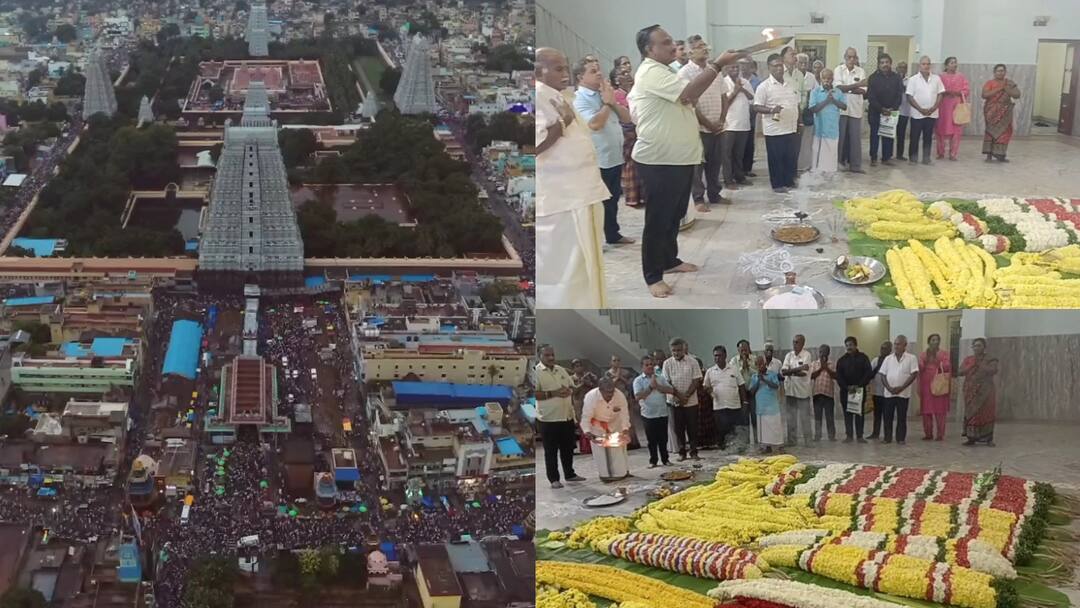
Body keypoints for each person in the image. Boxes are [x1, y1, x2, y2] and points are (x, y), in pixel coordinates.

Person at [628, 25, 744, 298]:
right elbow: (689, 94)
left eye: (671, 41)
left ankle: (669, 261)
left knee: (674, 216)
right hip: (659, 160)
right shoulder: (650, 72)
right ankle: (652, 275)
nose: (672, 46)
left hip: (679, 158)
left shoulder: (666, 71)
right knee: (658, 219)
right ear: (649, 50)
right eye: (666, 42)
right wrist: (717, 65)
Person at [535, 48, 610, 308]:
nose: (565, 74)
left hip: (575, 194)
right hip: (568, 197)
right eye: (558, 69)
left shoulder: (559, 95)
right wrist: (561, 125)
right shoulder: (536, 97)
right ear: (538, 70)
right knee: (573, 268)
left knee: (581, 264)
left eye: (566, 68)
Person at [573, 57, 634, 245]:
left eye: (599, 69)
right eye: (592, 71)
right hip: (597, 158)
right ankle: (595, 241)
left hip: (614, 155)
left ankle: (613, 234)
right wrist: (607, 104)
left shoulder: (605, 94)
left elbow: (627, 118)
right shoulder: (579, 98)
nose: (599, 73)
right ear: (580, 77)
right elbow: (595, 124)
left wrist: (612, 101)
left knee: (613, 199)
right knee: (598, 203)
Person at [679, 35, 728, 211]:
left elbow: (724, 97)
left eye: (705, 45)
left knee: (715, 164)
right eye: (700, 46)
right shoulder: (685, 73)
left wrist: (721, 120)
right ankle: (698, 199)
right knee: (697, 166)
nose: (705, 48)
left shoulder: (715, 71)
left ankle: (715, 194)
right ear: (690, 52)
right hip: (698, 128)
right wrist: (708, 124)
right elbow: (690, 102)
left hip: (718, 127)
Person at [533, 345, 586, 489]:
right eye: (547, 355)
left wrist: (577, 387)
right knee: (551, 451)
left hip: (566, 417)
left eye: (552, 355)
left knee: (568, 448)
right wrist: (553, 393)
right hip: (548, 419)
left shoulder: (561, 370)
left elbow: (572, 388)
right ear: (540, 357)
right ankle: (554, 479)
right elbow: (533, 393)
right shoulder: (536, 372)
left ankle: (570, 474)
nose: (551, 358)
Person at [752, 53, 801, 193]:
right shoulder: (764, 86)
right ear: (769, 68)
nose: (779, 68)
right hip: (774, 129)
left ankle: (789, 181)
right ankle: (778, 184)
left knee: (790, 157)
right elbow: (756, 106)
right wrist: (771, 109)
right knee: (776, 158)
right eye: (775, 66)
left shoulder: (790, 83)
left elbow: (796, 103)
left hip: (790, 127)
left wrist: (799, 122)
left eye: (780, 65)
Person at [662, 337, 703, 460]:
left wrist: (686, 396)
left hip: (691, 402)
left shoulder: (693, 361)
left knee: (692, 428)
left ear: (684, 349)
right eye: (674, 350)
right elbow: (666, 382)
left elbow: (696, 380)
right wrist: (679, 396)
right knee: (678, 428)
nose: (676, 353)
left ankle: (694, 452)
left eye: (679, 350)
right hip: (674, 401)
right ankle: (681, 452)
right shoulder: (667, 363)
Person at [611, 68, 645, 207]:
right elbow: (624, 115)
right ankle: (632, 198)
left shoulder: (635, 91)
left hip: (639, 128)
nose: (628, 76)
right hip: (627, 132)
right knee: (630, 165)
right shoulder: (617, 95)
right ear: (616, 80)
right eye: (623, 74)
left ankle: (642, 196)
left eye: (628, 73)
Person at [633, 355, 674, 467]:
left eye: (651, 364)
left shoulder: (660, 377)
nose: (650, 366)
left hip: (662, 413)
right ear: (642, 367)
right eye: (647, 365)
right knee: (652, 440)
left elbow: (671, 390)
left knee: (663, 439)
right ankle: (653, 461)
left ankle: (665, 460)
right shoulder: (638, 381)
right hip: (648, 415)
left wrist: (658, 387)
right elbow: (637, 396)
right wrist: (650, 387)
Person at [957, 338, 999, 446]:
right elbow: (960, 372)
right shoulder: (968, 359)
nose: (977, 348)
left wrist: (980, 365)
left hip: (986, 391)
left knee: (986, 414)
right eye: (975, 346)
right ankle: (971, 437)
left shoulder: (991, 359)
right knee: (971, 414)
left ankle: (988, 438)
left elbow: (993, 370)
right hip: (970, 391)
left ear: (984, 347)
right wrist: (970, 366)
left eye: (979, 345)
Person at [878, 335, 919, 444]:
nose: (896, 346)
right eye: (895, 344)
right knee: (887, 417)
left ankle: (900, 438)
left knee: (901, 417)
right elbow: (882, 375)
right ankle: (887, 438)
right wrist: (889, 388)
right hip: (889, 393)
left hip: (903, 393)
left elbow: (914, 374)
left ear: (905, 345)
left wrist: (902, 387)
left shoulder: (911, 358)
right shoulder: (888, 358)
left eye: (899, 344)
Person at [866, 53, 905, 166]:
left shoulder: (896, 77)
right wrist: (881, 109)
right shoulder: (873, 78)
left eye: (887, 62)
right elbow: (871, 96)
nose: (885, 65)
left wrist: (893, 108)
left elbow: (899, 94)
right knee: (875, 135)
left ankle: (886, 157)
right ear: (878, 64)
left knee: (889, 134)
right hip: (875, 111)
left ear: (890, 63)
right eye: (882, 63)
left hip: (891, 112)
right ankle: (873, 158)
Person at [905, 56, 945, 165]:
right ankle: (913, 159)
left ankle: (926, 158)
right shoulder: (913, 79)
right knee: (915, 137)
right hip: (917, 114)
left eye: (928, 64)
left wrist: (934, 107)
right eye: (923, 64)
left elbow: (940, 93)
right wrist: (920, 109)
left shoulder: (936, 78)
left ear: (930, 65)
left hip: (932, 114)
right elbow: (909, 96)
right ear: (919, 65)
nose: (926, 66)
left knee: (928, 137)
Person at [705, 345, 745, 451]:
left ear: (725, 356)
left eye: (719, 355)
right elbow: (706, 386)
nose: (717, 358)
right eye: (715, 356)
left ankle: (737, 449)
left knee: (735, 430)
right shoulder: (710, 371)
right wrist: (710, 392)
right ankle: (723, 450)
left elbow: (741, 385)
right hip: (719, 407)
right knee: (721, 430)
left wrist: (744, 402)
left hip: (734, 405)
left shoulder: (734, 369)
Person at [720, 63, 754, 189]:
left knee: (739, 154)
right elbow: (725, 103)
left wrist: (742, 88)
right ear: (726, 68)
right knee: (727, 154)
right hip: (729, 124)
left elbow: (751, 97)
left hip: (743, 123)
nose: (735, 70)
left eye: (736, 68)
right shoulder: (723, 82)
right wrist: (735, 91)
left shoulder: (744, 81)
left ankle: (739, 177)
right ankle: (728, 180)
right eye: (732, 67)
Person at [834, 47, 868, 173]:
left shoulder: (861, 71)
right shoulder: (838, 70)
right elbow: (838, 88)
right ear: (845, 57)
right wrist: (856, 86)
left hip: (855, 109)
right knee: (840, 138)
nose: (851, 59)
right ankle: (838, 163)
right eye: (849, 57)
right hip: (841, 109)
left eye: (854, 57)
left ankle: (855, 166)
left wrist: (848, 88)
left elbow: (863, 91)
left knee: (855, 138)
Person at [807, 68, 846, 174]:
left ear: (832, 79)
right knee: (817, 151)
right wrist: (826, 101)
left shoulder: (838, 92)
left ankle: (830, 171)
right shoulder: (815, 92)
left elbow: (844, 106)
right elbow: (813, 108)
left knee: (831, 151)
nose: (826, 81)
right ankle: (816, 170)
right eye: (824, 78)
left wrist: (833, 100)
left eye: (829, 78)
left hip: (833, 129)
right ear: (820, 79)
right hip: (820, 129)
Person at [836, 336, 873, 443]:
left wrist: (859, 386)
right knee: (847, 414)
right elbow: (839, 376)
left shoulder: (863, 358)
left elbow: (868, 373)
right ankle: (849, 436)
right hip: (846, 391)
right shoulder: (842, 360)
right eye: (847, 345)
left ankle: (860, 436)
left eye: (851, 345)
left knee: (859, 414)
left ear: (856, 345)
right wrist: (846, 387)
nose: (849, 347)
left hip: (859, 390)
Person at [981, 64, 1021, 162]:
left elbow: (1017, 95)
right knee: (990, 132)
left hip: (1005, 112)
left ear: (1005, 72)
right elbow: (984, 95)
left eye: (1002, 70)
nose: (1001, 72)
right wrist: (999, 88)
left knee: (1005, 132)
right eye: (998, 71)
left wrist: (1007, 89)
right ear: (994, 73)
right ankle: (989, 155)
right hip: (991, 111)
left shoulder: (1009, 83)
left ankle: (1001, 155)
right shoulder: (989, 83)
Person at [786, 50, 817, 172]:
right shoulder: (791, 75)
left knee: (807, 140)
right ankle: (795, 165)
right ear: (796, 63)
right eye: (801, 63)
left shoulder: (812, 77)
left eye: (806, 63)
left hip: (808, 112)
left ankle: (806, 164)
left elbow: (815, 93)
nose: (803, 66)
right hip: (794, 112)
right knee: (795, 140)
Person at [918, 333, 952, 441]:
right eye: (933, 340)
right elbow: (920, 367)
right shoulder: (923, 354)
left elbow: (947, 366)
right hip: (926, 384)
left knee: (940, 411)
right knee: (926, 411)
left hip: (940, 384)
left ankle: (940, 434)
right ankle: (928, 433)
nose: (935, 342)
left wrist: (938, 359)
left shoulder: (943, 354)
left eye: (937, 340)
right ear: (929, 342)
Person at [780, 334, 813, 445]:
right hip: (790, 391)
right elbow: (783, 372)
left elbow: (803, 374)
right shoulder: (788, 355)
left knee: (805, 418)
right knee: (791, 419)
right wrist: (799, 368)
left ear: (803, 344)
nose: (794, 344)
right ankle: (792, 441)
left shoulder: (807, 355)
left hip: (803, 392)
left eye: (797, 342)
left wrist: (791, 371)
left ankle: (808, 442)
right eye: (793, 342)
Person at [936, 57, 970, 161]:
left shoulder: (961, 77)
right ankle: (940, 152)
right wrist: (945, 92)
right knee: (940, 129)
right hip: (943, 106)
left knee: (956, 130)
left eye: (955, 63)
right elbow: (936, 90)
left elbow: (966, 90)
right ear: (946, 65)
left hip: (956, 106)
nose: (954, 64)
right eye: (951, 63)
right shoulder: (940, 77)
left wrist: (958, 93)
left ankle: (953, 154)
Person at [749, 356, 783, 453]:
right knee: (763, 431)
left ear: (765, 364)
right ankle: (766, 447)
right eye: (758, 365)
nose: (760, 366)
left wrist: (764, 380)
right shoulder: (754, 377)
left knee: (776, 429)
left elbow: (776, 386)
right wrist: (759, 381)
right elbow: (751, 392)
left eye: (761, 364)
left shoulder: (772, 374)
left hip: (772, 408)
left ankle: (780, 447)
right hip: (761, 408)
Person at [605, 355, 641, 449]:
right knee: (616, 421)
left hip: (625, 398)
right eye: (614, 360)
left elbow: (630, 384)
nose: (616, 362)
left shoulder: (626, 372)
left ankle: (632, 442)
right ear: (611, 362)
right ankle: (619, 441)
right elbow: (607, 385)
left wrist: (621, 378)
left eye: (618, 360)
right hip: (613, 399)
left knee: (628, 420)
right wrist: (616, 379)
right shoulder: (608, 373)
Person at [729, 339, 756, 446]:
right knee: (743, 419)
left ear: (749, 349)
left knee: (755, 418)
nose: (744, 351)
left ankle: (758, 441)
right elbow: (733, 375)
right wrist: (742, 366)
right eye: (741, 349)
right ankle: (745, 443)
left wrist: (748, 366)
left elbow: (758, 373)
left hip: (753, 392)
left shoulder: (755, 359)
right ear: (738, 350)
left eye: (745, 349)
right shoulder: (733, 361)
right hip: (741, 393)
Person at [739, 58, 762, 177]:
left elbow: (757, 98)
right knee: (738, 143)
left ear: (751, 67)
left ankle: (747, 168)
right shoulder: (735, 79)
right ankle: (738, 170)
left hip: (751, 112)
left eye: (745, 65)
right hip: (738, 113)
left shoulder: (757, 82)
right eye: (741, 64)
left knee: (749, 142)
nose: (743, 67)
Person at [809, 344, 837, 441]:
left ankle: (831, 436)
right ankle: (817, 435)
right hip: (817, 394)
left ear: (828, 353)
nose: (822, 354)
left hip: (828, 394)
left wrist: (827, 368)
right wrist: (821, 368)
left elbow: (835, 376)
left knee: (829, 416)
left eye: (824, 351)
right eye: (820, 351)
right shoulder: (814, 364)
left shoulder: (832, 364)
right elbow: (811, 376)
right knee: (818, 417)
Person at [865, 340, 891, 440]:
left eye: (885, 348)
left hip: (888, 393)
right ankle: (875, 434)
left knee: (887, 415)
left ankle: (887, 435)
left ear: (890, 350)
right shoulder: (876, 360)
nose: (882, 350)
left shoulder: (892, 360)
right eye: (881, 348)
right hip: (877, 392)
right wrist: (878, 366)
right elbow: (870, 375)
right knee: (877, 415)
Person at [895, 61, 910, 160]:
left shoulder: (910, 80)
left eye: (904, 67)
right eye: (900, 67)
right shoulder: (893, 79)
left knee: (901, 134)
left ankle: (899, 155)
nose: (902, 69)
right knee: (890, 133)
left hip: (904, 110)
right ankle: (887, 155)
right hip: (893, 110)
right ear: (896, 69)